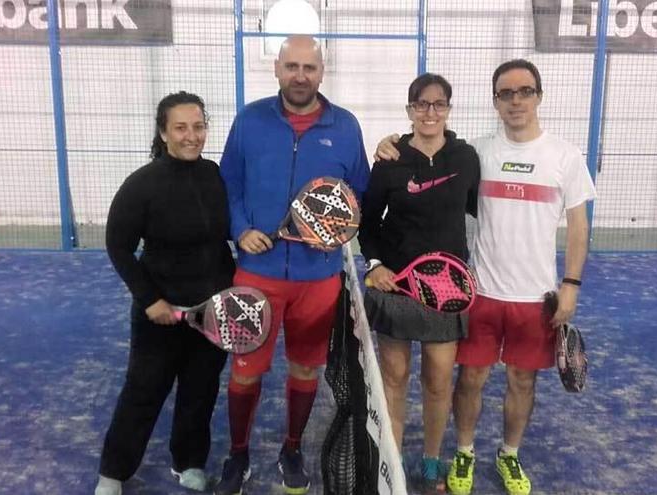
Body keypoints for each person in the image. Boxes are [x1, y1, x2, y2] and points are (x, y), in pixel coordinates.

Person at [375, 59, 596, 495]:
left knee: (522, 380)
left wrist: (571, 284)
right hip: (479, 291)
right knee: (470, 379)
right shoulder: (477, 154)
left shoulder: (565, 156)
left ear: (539, 96)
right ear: (495, 101)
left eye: (524, 91)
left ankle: (509, 454)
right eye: (506, 93)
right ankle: (464, 452)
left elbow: (578, 226)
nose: (515, 101)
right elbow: (434, 168)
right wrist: (390, 143)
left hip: (537, 296)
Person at [215, 35, 370, 495]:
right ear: (277, 69)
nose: (301, 75)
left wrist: (333, 231)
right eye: (292, 66)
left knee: (305, 369)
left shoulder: (345, 126)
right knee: (245, 371)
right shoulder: (249, 120)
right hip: (255, 272)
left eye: (310, 67)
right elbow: (229, 184)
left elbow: (356, 192)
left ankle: (293, 448)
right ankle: (238, 454)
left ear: (322, 72)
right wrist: (240, 228)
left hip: (318, 279)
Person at [94, 92, 236, 495]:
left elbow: (225, 235)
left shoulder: (213, 175)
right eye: (181, 127)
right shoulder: (143, 184)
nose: (192, 136)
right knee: (143, 392)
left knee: (200, 392)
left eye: (198, 126)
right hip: (161, 314)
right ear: (163, 132)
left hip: (211, 312)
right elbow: (118, 246)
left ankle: (188, 462)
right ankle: (114, 472)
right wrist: (150, 300)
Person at [359, 73, 479, 494]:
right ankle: (390, 461)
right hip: (397, 286)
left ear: (448, 108)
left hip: (446, 288)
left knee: (438, 380)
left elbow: (480, 211)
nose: (430, 112)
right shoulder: (389, 160)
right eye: (421, 104)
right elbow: (368, 223)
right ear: (409, 110)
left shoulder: (466, 158)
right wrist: (374, 265)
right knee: (395, 376)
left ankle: (430, 462)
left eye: (439, 104)